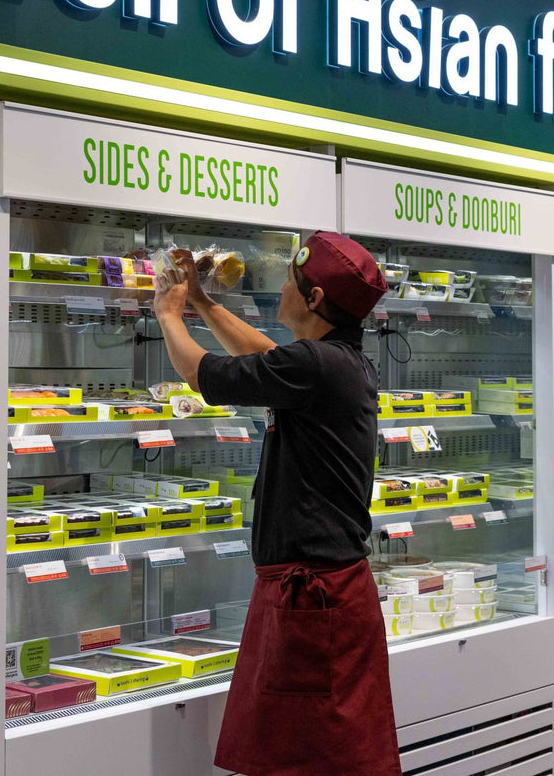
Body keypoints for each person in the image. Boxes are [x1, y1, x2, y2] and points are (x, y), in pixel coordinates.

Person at [152, 232, 401, 776]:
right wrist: (203, 301)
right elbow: (267, 356)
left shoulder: (317, 366)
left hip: (311, 599)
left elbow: (202, 374)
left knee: (303, 761)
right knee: (327, 756)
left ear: (313, 301)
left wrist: (169, 314)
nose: (281, 287)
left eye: (291, 280)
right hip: (324, 592)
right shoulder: (337, 361)